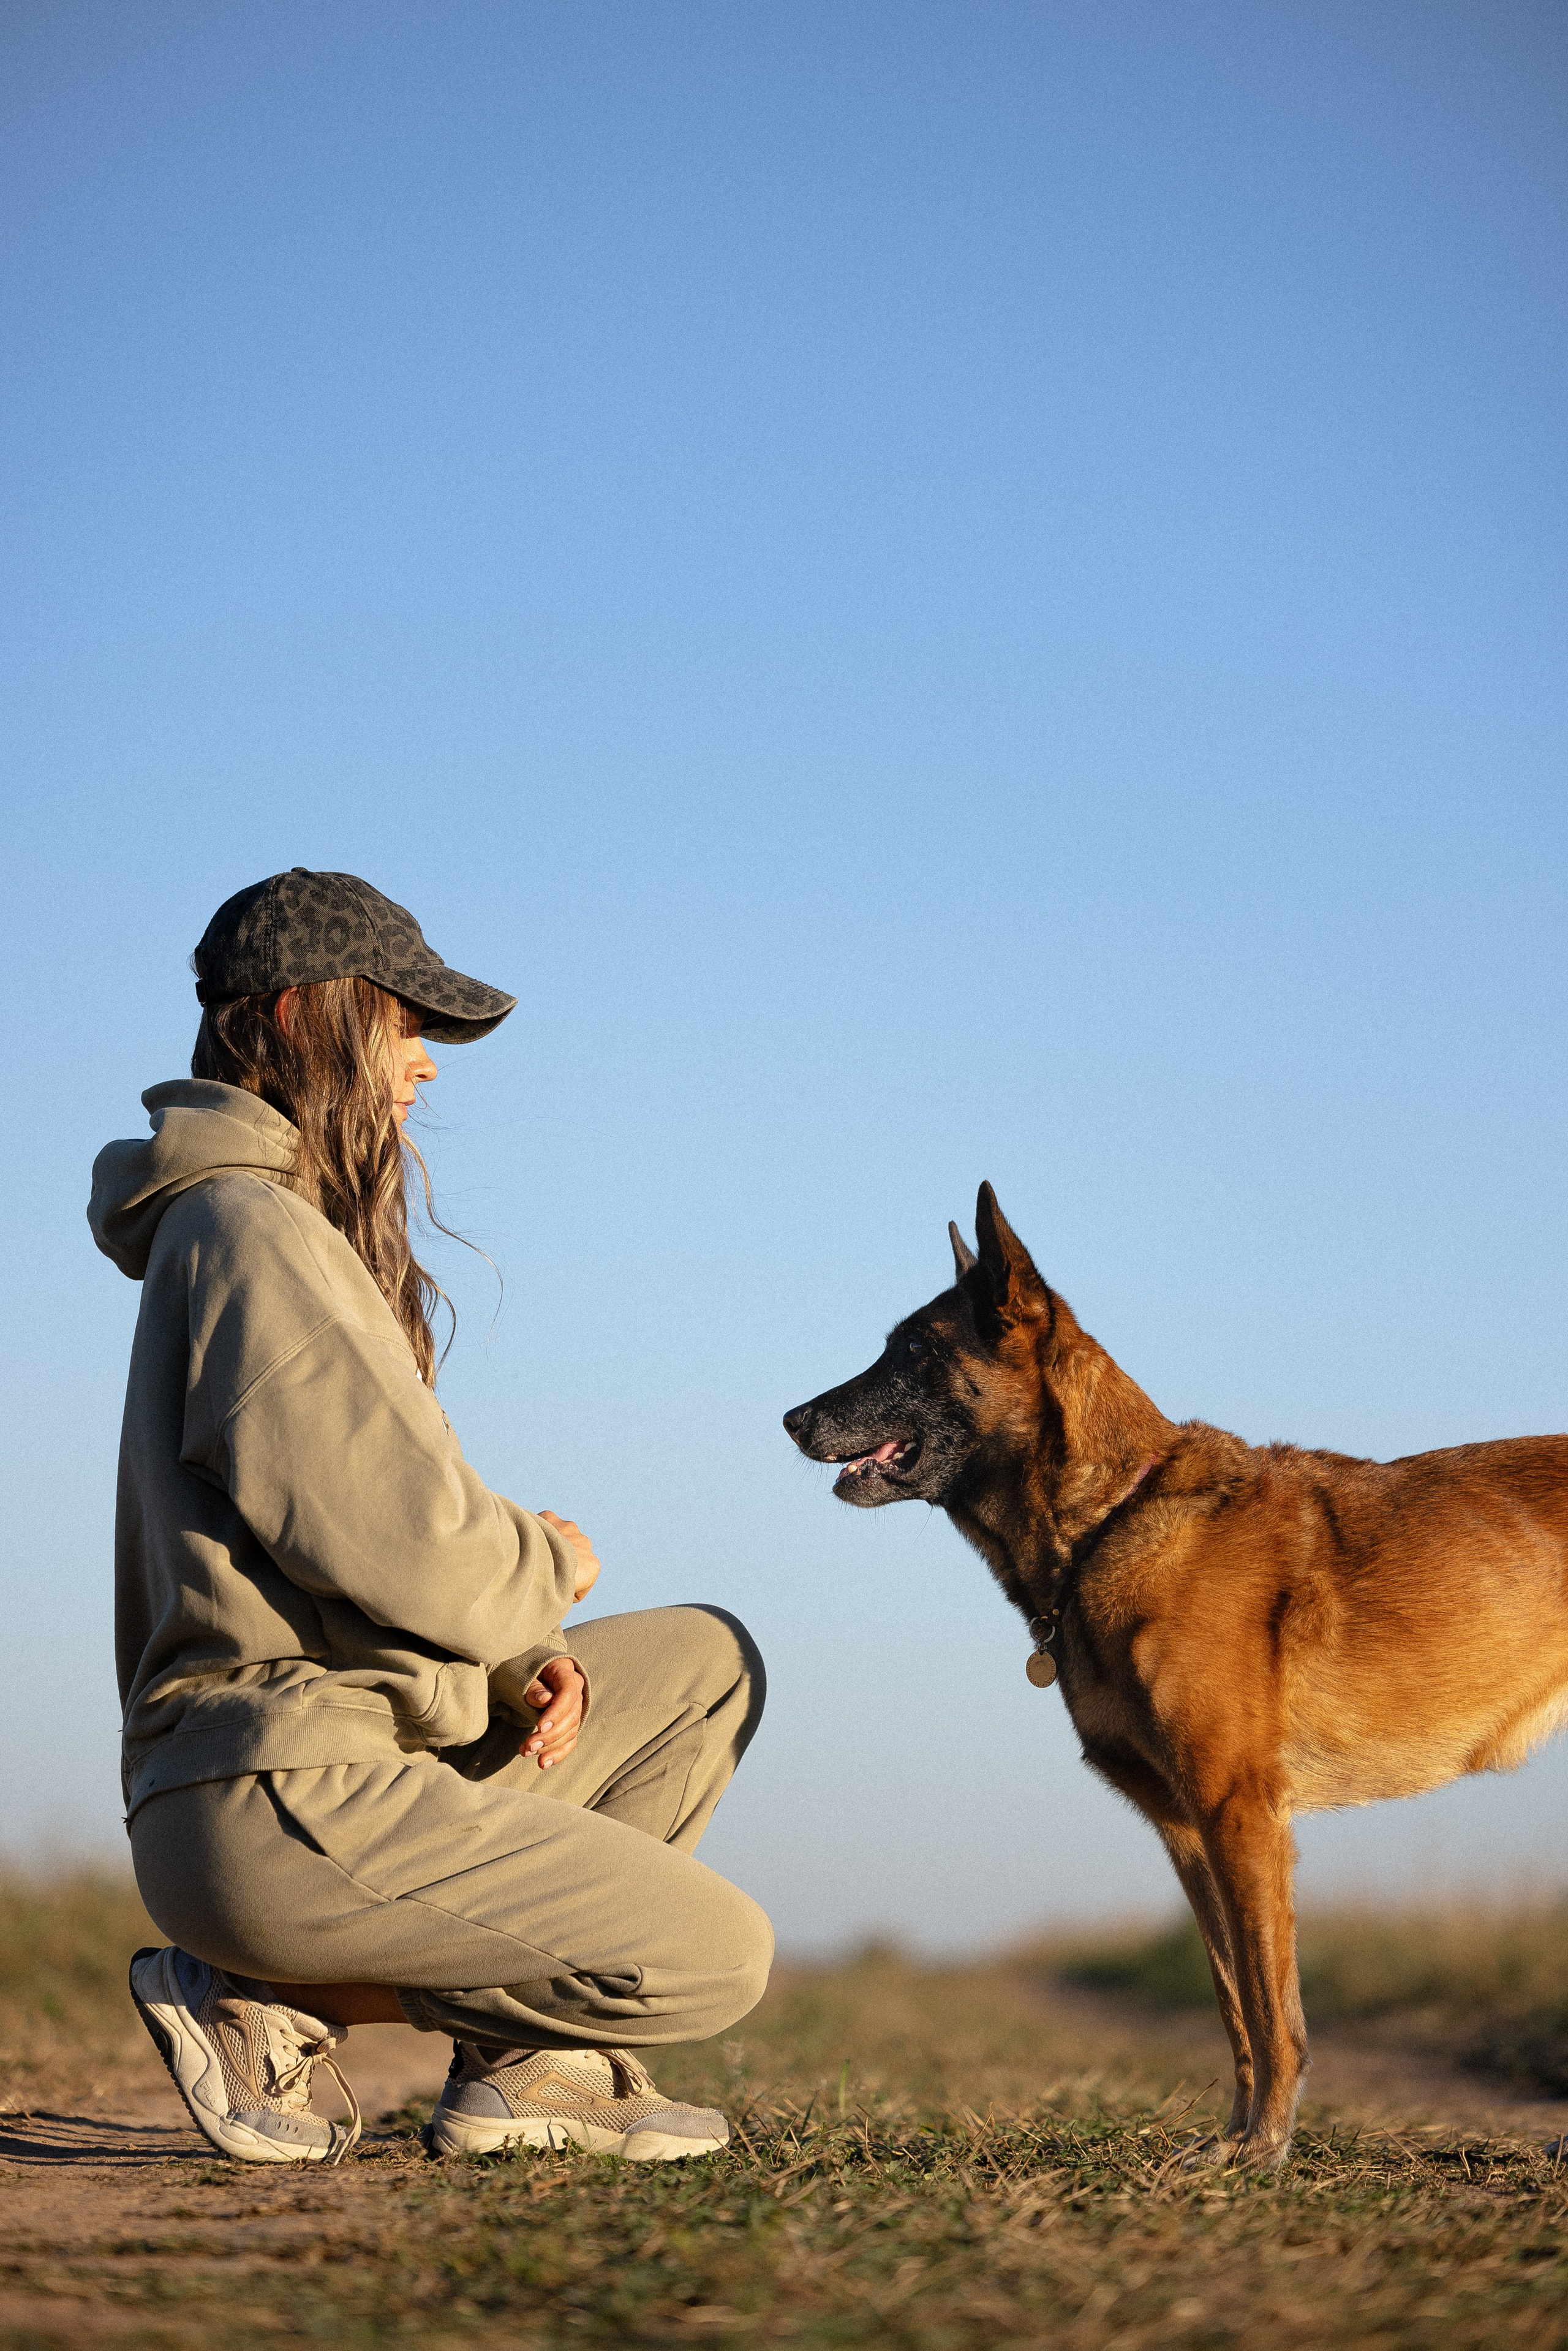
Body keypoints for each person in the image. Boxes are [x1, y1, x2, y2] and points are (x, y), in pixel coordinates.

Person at [88, 867, 772, 2167]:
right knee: (712, 1957)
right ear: (298, 1016)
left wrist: (520, 1651)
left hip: (354, 1751)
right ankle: (264, 1997)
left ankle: (530, 2070)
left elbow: (365, 1528)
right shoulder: (243, 1226)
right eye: (404, 1023)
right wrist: (545, 1572)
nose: (425, 1065)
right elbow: (386, 1532)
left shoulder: (286, 1230)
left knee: (702, 1663)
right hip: (277, 1783)